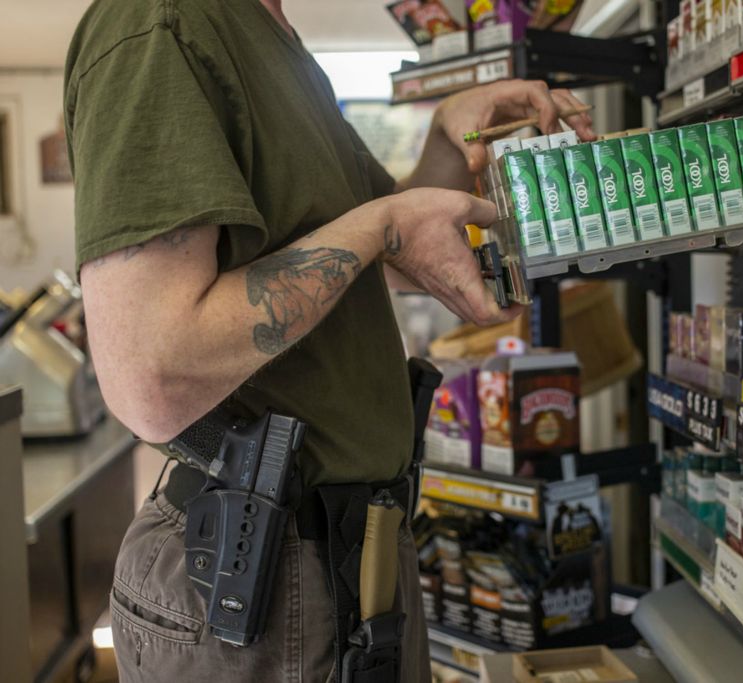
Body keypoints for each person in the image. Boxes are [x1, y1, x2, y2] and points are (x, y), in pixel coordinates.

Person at [63, 0, 595, 680]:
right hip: (258, 579)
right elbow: (154, 376)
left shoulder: (273, 35)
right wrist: (385, 223)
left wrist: (444, 142)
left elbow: (376, 258)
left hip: (349, 556)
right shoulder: (159, 27)